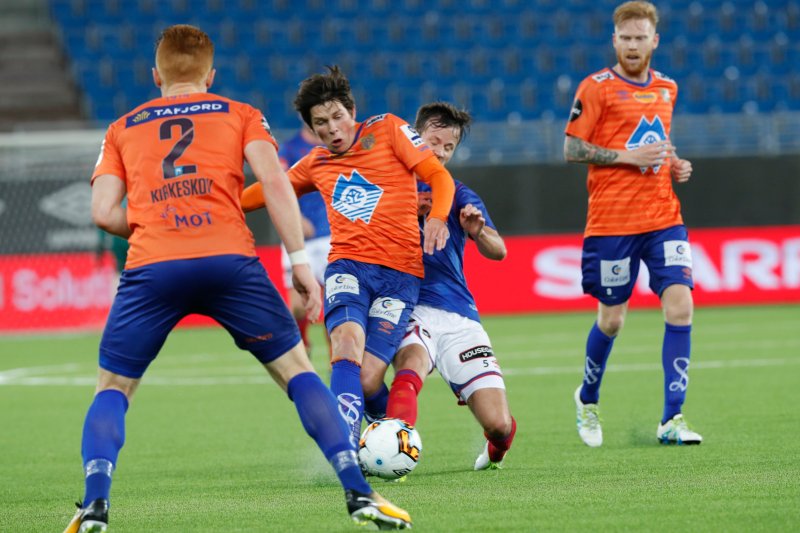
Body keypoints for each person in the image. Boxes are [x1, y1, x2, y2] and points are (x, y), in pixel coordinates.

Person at [64, 26, 411, 533]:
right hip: (230, 261)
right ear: (211, 75)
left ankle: (95, 503)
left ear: (156, 75)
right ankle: (358, 493)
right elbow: (274, 182)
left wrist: (152, 224)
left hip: (153, 266)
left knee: (113, 387)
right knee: (298, 372)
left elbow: (102, 211)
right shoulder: (240, 113)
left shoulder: (121, 128)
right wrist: (297, 261)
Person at [240, 66, 456, 448]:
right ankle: (346, 449)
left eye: (338, 116)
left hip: (400, 274)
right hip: (347, 267)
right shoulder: (315, 163)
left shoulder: (388, 129)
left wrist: (438, 218)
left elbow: (439, 177)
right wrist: (216, 203)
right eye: (321, 122)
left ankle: (390, 441)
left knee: (370, 378)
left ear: (352, 110)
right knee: (345, 343)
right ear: (311, 128)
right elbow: (266, 192)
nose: (332, 128)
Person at [564, 1, 702, 447]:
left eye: (641, 38)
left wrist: (673, 162)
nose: (633, 45)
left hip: (664, 217)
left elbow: (654, 142)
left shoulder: (667, 88)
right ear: (615, 40)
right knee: (612, 321)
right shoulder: (597, 87)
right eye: (625, 38)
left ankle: (672, 419)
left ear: (654, 41)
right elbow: (571, 147)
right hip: (612, 224)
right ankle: (587, 399)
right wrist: (628, 157)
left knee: (680, 306)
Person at [383, 102, 517, 471]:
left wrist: (478, 231)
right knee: (410, 365)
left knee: (498, 425)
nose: (440, 152)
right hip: (407, 305)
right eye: (434, 141)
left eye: (449, 147)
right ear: (416, 136)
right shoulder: (389, 183)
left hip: (458, 315)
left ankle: (496, 449)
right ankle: (392, 446)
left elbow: (499, 250)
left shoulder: (457, 193)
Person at [275, 123, 329, 357]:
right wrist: (296, 217)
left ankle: (335, 358)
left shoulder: (331, 147)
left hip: (330, 235)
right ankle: (303, 343)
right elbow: (277, 187)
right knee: (297, 306)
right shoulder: (289, 149)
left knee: (334, 302)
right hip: (297, 238)